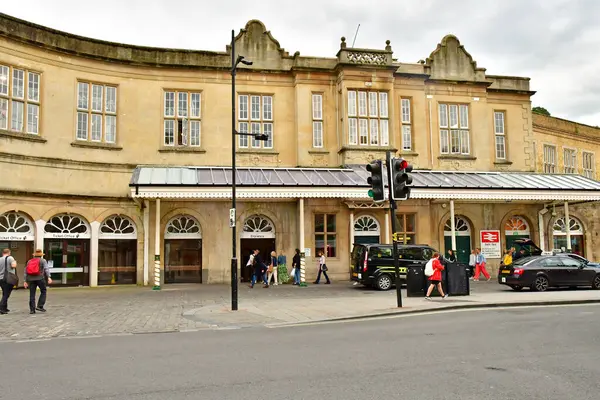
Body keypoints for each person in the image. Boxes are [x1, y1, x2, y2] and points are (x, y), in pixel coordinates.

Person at [23, 249, 52, 314]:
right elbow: (46, 269)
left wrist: (25, 281)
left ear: (34, 255)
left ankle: (32, 310)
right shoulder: (43, 260)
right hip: (40, 278)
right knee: (43, 291)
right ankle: (40, 306)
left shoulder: (29, 261)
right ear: (41, 255)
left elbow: (25, 271)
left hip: (30, 279)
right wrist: (49, 277)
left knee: (32, 294)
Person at [0, 248, 17, 315]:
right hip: (8, 278)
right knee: (6, 294)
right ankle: (1, 308)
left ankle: (4, 307)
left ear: (2, 253)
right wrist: (15, 262)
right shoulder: (10, 258)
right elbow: (13, 266)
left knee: (5, 292)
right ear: (9, 252)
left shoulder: (0, 259)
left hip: (1, 278)